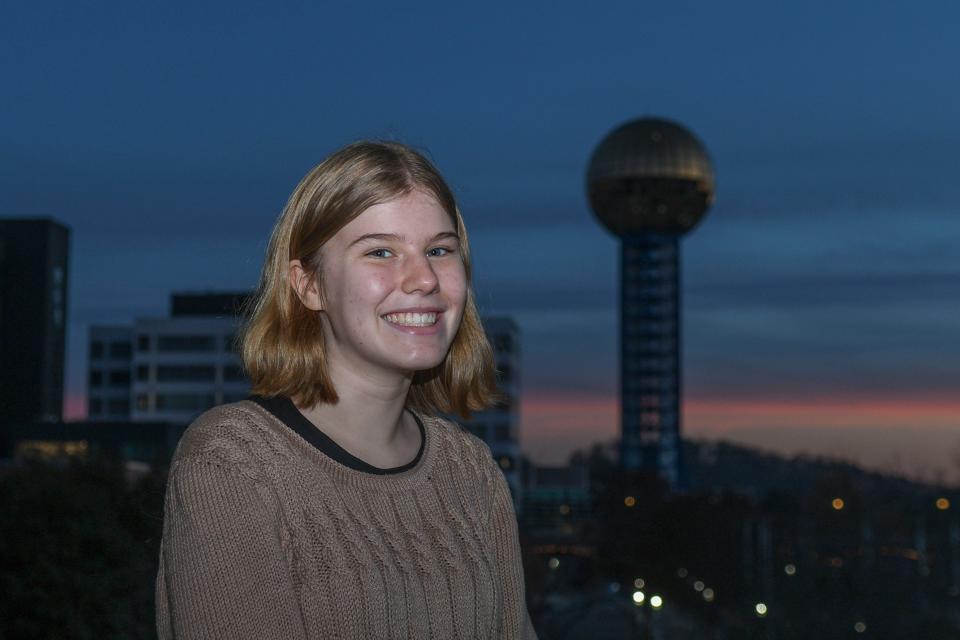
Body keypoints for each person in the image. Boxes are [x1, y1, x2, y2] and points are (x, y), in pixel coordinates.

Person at [155, 141, 538, 639]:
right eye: (381, 251)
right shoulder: (232, 464)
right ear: (309, 284)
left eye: (440, 250)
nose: (423, 278)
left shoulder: (471, 471)